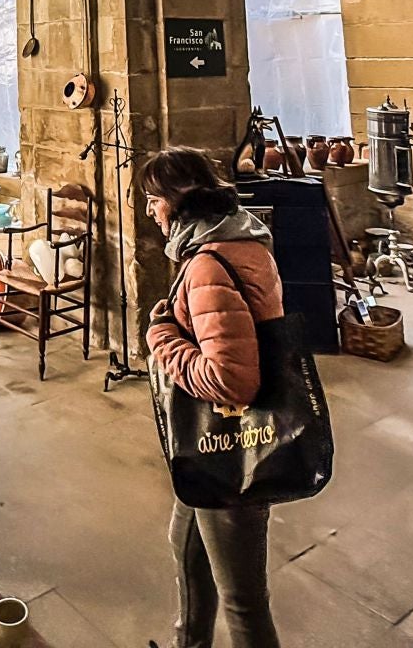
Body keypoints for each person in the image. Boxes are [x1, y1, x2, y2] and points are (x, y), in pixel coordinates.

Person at [140, 147, 287, 648]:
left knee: (244, 602)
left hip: (229, 444)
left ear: (180, 202)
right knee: (184, 542)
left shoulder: (208, 263)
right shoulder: (241, 239)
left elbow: (230, 380)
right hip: (207, 452)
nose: (150, 210)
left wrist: (162, 336)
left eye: (154, 199)